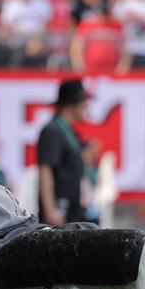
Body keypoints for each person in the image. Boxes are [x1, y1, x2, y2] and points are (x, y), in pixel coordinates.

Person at [36, 78, 89, 225]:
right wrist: (50, 209)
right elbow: (46, 170)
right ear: (72, 103)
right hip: (59, 210)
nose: (87, 105)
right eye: (83, 100)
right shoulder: (52, 131)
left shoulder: (69, 132)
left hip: (72, 209)